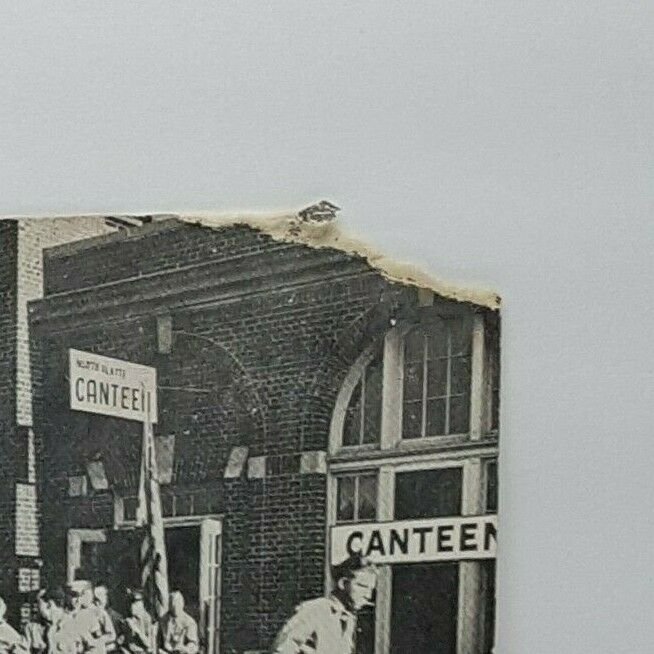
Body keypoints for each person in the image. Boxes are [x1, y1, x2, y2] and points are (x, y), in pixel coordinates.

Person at [271, 552, 377, 654]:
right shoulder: (314, 610)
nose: (368, 595)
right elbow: (282, 649)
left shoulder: (349, 620)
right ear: (343, 583)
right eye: (362, 586)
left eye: (371, 589)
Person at [92, 587, 121, 654]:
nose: (97, 602)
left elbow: (119, 638)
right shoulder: (92, 613)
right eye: (95, 599)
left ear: (107, 597)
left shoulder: (116, 617)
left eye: (101, 595)